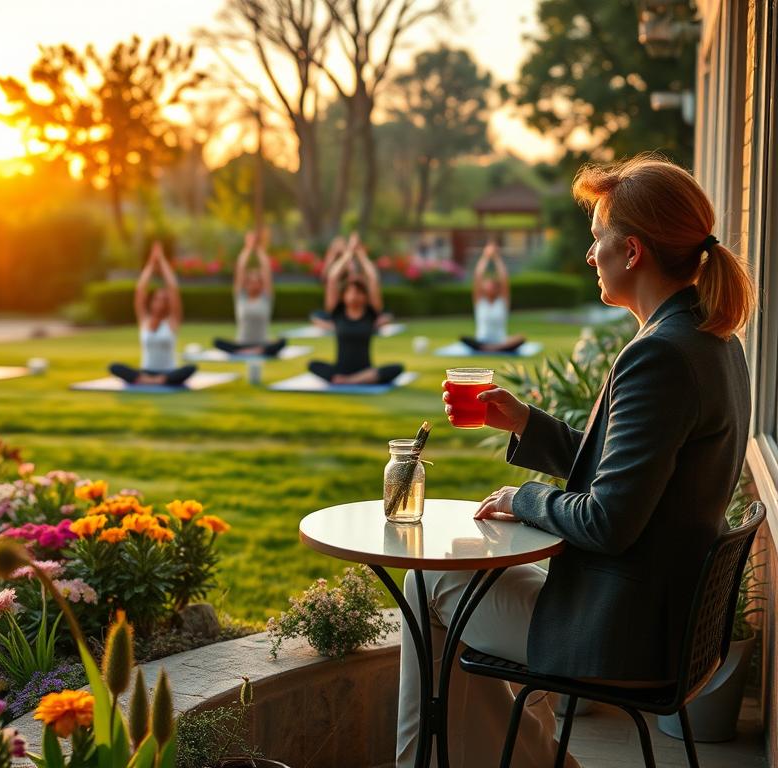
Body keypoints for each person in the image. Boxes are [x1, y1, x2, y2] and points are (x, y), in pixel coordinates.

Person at [397, 154, 754, 767]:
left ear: (633, 251)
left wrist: (520, 498)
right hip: (660, 612)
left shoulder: (660, 356)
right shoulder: (711, 339)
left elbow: (608, 520)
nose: (591, 256)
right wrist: (527, 424)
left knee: (426, 579)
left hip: (625, 631)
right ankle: (535, 760)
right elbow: (634, 475)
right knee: (470, 584)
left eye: (598, 240)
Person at [307, 234, 404, 385]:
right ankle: (351, 379)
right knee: (312, 364)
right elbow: (332, 278)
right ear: (343, 296)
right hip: (340, 370)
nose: (354, 295)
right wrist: (348, 253)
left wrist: (360, 254)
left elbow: (372, 278)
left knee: (397, 368)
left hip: (365, 371)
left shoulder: (370, 313)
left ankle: (349, 380)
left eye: (358, 292)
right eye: (350, 291)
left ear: (365, 297)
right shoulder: (338, 312)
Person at [109, 242, 197, 386]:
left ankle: (155, 380)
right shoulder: (144, 320)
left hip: (169, 372)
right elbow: (140, 291)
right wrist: (150, 264)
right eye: (157, 298)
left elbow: (173, 289)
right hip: (146, 371)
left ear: (168, 303)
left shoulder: (172, 322)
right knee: (114, 367)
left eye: (164, 299)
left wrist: (162, 261)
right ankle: (153, 380)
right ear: (151, 301)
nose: (160, 302)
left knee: (191, 368)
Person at [213, 230, 287, 357]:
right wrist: (248, 247)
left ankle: (254, 351)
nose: (253, 284)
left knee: (282, 342)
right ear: (245, 284)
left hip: (262, 344)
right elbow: (240, 268)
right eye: (250, 281)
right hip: (242, 343)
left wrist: (258, 248)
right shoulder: (241, 298)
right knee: (217, 342)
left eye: (256, 281)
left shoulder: (266, 298)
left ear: (261, 284)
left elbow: (266, 269)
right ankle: (249, 351)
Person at [460, 239, 527, 352]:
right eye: (487, 285)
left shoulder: (502, 302)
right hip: (482, 341)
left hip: (500, 341)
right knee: (464, 338)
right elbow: (478, 276)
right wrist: (485, 256)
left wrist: (496, 258)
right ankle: (493, 348)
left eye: (492, 285)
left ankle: (490, 348)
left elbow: (504, 278)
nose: (489, 287)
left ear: (497, 288)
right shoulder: (480, 302)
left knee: (521, 339)